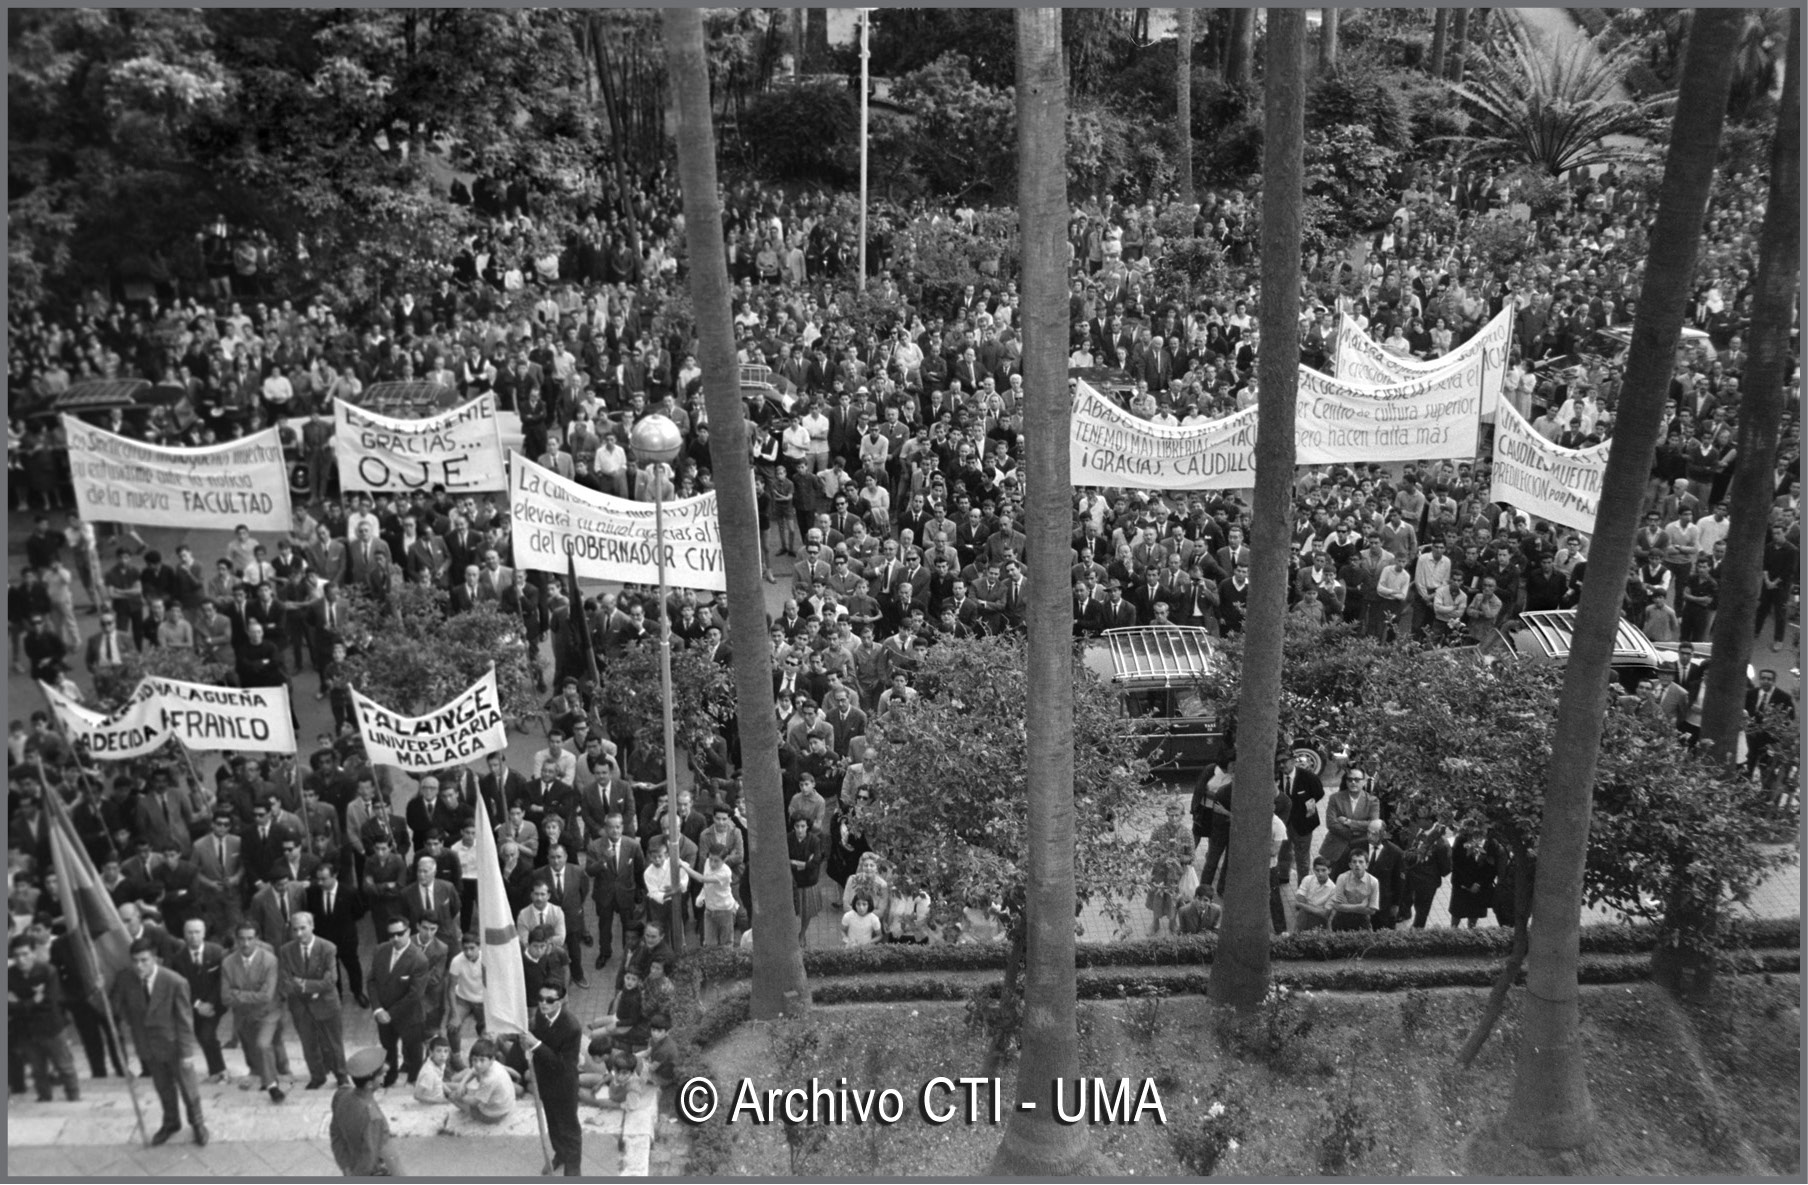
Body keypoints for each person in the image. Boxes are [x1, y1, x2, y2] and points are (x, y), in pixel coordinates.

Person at [110, 936, 209, 1146]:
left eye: (144, 960)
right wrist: (100, 989)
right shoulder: (125, 979)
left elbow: (184, 1021)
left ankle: (198, 1123)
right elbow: (114, 1010)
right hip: (148, 1046)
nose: (139, 965)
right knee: (163, 1088)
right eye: (135, 960)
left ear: (155, 958)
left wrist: (187, 1053)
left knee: (188, 1089)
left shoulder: (174, 982)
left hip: (173, 1046)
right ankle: (171, 1122)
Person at [279, 910, 348, 1089]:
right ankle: (317, 1076)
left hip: (326, 1004)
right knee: (308, 1043)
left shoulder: (328, 948)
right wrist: (314, 985)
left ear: (312, 926)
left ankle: (341, 1075)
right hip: (300, 1006)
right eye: (295, 929)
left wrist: (304, 985)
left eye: (303, 928)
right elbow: (286, 981)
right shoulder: (286, 951)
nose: (299, 933)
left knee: (333, 1043)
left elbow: (331, 979)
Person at [221, 918, 286, 1102]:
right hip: (244, 1016)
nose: (246, 943)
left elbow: (267, 995)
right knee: (254, 1051)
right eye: (241, 938)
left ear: (258, 939)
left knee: (263, 1044)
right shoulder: (228, 963)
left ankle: (273, 1086)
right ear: (236, 939)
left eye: (250, 938)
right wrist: (252, 995)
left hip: (268, 1012)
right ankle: (268, 1078)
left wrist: (238, 994)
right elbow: (225, 997)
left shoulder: (269, 960)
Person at [8, 934, 80, 1102]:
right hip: (26, 1030)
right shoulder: (8, 976)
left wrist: (21, 1004)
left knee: (64, 1066)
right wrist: (34, 1000)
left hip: (51, 1028)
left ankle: (73, 1095)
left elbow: (50, 1002)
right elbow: (7, 1006)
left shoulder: (48, 971)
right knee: (37, 1069)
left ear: (33, 953)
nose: (21, 959)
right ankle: (44, 1097)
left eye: (25, 954)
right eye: (16, 955)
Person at [525, 979, 584, 1175]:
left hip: (564, 1085)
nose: (543, 1003)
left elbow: (562, 1065)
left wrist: (535, 1045)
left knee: (569, 1128)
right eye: (541, 998)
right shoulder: (541, 1017)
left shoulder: (571, 1027)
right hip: (545, 1082)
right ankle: (561, 1154)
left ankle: (573, 1168)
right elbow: (536, 1038)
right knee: (552, 1123)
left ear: (559, 1002)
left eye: (549, 1000)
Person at [369, 915, 429, 1088]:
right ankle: (390, 1077)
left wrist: (390, 1013)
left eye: (399, 933)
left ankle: (413, 1079)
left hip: (409, 1016)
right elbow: (371, 981)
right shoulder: (380, 950)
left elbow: (415, 994)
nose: (395, 938)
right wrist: (378, 1009)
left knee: (413, 1050)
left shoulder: (419, 959)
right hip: (383, 1015)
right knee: (387, 1049)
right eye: (391, 935)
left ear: (409, 932)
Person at [330, 1047, 404, 1177]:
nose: (384, 1076)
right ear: (369, 1084)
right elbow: (368, 1159)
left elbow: (335, 1134)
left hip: (351, 1165)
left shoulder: (341, 1093)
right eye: (381, 1075)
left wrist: (346, 1167)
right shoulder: (373, 1118)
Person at [448, 1038, 517, 1124]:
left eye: (481, 1060)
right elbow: (473, 1070)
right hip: (507, 1104)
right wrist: (462, 1083)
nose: (477, 1064)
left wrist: (459, 1097)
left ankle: (472, 1113)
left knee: (453, 1097)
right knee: (465, 1089)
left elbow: (474, 1102)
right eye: (474, 1060)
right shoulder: (494, 1063)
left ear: (491, 1059)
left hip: (495, 1114)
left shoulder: (489, 1079)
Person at [1330, 849, 1380, 932]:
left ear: (1367, 865)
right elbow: (1337, 906)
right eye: (1354, 862)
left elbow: (1372, 910)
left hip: (1362, 921)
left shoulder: (1373, 882)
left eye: (1361, 862)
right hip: (1341, 920)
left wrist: (1346, 905)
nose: (1357, 865)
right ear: (1350, 865)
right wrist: (1361, 906)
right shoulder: (1342, 878)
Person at [1292, 857, 1338, 931]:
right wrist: (1317, 909)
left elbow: (1324, 913)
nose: (1320, 873)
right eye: (1317, 870)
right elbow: (1299, 899)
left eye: (1323, 870)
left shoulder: (1334, 889)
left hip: (1319, 920)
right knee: (1296, 937)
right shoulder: (1307, 879)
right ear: (1313, 870)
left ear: (1329, 870)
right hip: (1303, 916)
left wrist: (1302, 905)